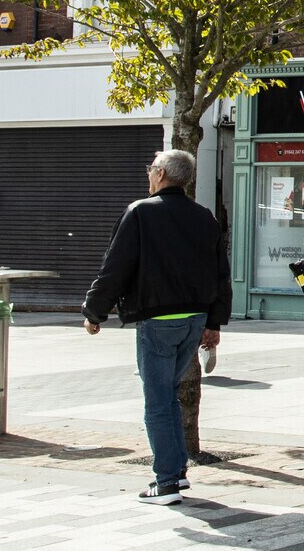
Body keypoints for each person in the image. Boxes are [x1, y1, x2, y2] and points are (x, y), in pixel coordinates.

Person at [82, 149, 230, 507]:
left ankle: (166, 481)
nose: (149, 173)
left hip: (158, 320)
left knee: (158, 401)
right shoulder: (204, 218)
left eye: (151, 168)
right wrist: (214, 322)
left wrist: (94, 311)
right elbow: (220, 275)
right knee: (170, 395)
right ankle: (176, 471)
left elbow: (115, 267)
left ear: (161, 173)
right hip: (194, 320)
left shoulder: (140, 213)